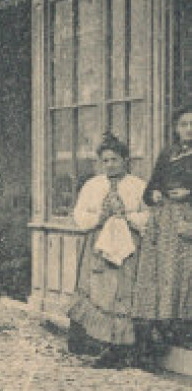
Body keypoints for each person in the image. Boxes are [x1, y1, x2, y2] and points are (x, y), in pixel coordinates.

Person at [68, 133, 150, 368]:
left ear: (125, 160)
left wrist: (127, 216)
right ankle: (99, 346)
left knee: (122, 295)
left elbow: (149, 216)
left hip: (129, 247)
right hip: (98, 245)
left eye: (115, 159)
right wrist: (99, 217)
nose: (110, 165)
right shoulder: (93, 186)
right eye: (105, 160)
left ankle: (122, 349)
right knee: (98, 293)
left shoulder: (138, 186)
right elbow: (79, 215)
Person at [132, 106, 192, 353]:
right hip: (164, 222)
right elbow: (149, 189)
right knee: (165, 274)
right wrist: (154, 194)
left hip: (187, 221)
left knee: (187, 274)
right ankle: (167, 328)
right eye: (184, 125)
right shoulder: (168, 154)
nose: (189, 129)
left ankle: (185, 328)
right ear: (176, 129)